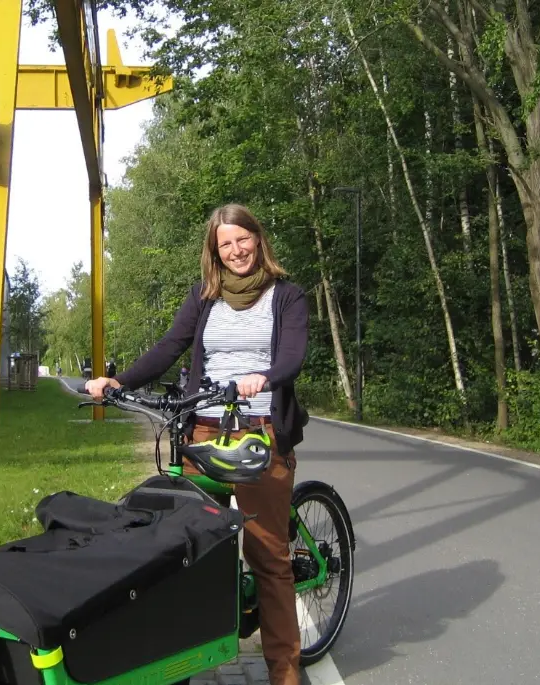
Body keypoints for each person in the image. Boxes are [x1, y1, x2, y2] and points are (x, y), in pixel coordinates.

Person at [85, 203, 309, 685]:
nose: (236, 251)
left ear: (258, 239)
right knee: (183, 551)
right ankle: (180, 666)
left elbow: (292, 357)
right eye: (225, 244)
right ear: (215, 251)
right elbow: (170, 347)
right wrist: (116, 381)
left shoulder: (287, 297)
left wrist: (263, 377)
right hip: (203, 433)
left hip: (260, 433)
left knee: (269, 558)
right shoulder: (204, 298)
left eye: (242, 239)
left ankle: (285, 672)